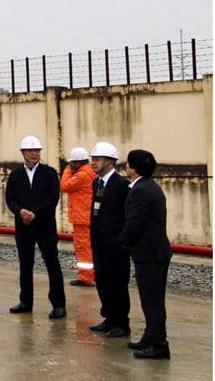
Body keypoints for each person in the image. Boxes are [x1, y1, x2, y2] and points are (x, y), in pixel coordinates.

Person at [4, 135, 66, 319]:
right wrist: (20, 211)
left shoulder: (49, 173)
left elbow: (53, 198)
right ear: (23, 153)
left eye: (36, 151)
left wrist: (35, 213)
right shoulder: (16, 175)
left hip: (44, 226)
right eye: (30, 151)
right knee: (25, 264)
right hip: (23, 227)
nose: (33, 154)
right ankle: (25, 301)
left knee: (52, 264)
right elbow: (10, 199)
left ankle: (59, 304)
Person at [119, 149, 172, 359]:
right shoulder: (149, 186)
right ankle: (150, 337)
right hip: (153, 252)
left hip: (150, 254)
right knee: (151, 299)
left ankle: (159, 344)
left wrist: (122, 241)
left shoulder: (141, 190)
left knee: (152, 301)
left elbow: (135, 223)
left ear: (133, 168)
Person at [88, 141, 131, 338]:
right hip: (99, 242)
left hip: (116, 245)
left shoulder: (122, 185)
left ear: (110, 162)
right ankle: (109, 317)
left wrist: (121, 240)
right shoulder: (96, 183)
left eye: (97, 160)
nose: (93, 163)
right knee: (103, 281)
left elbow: (127, 215)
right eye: (93, 159)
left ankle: (122, 322)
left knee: (118, 283)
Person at [60, 146, 98, 287]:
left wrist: (67, 170)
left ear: (77, 162)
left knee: (83, 248)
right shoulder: (91, 172)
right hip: (88, 216)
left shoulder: (81, 175)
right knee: (91, 247)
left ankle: (86, 277)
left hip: (82, 217)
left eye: (72, 163)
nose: (70, 165)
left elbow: (65, 186)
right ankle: (93, 274)